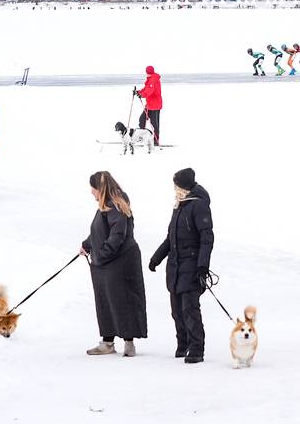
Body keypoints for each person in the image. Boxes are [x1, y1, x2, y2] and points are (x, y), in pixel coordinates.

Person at [148, 168, 214, 364]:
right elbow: (171, 238)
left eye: (176, 185)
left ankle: (196, 348)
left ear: (184, 186)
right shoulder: (180, 206)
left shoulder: (199, 206)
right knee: (176, 310)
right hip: (176, 266)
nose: (174, 188)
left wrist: (202, 266)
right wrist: (156, 258)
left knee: (189, 308)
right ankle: (183, 344)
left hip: (192, 266)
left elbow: (207, 238)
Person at [81, 171, 147, 357]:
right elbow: (99, 231)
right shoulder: (107, 204)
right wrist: (86, 245)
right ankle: (108, 341)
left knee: (122, 300)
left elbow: (117, 236)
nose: (91, 192)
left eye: (93, 188)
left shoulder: (116, 205)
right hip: (108, 261)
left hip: (119, 260)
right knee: (105, 300)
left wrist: (100, 256)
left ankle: (128, 342)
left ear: (100, 189)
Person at [136, 66, 162, 145]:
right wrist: (138, 92)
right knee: (142, 119)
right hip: (150, 105)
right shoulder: (151, 79)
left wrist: (142, 95)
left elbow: (149, 91)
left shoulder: (153, 80)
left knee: (154, 123)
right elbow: (146, 89)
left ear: (147, 72)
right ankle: (142, 137)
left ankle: (156, 140)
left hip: (155, 105)